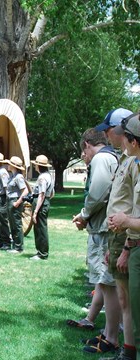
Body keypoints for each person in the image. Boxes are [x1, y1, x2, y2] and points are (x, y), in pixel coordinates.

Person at [71, 128, 121, 354]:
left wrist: (84, 214)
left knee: (108, 283)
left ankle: (111, 338)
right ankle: (108, 332)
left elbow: (98, 193)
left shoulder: (101, 158)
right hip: (106, 226)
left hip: (103, 230)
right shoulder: (114, 157)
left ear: (87, 144)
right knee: (106, 282)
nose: (85, 157)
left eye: (84, 152)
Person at [105, 112, 140, 360]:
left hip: (130, 236)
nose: (112, 135)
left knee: (129, 299)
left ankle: (127, 349)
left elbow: (131, 209)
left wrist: (126, 247)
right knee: (126, 298)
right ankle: (127, 348)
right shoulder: (127, 159)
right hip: (124, 235)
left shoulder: (134, 163)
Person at [5, 156, 29, 254]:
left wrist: (18, 202)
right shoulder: (13, 176)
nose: (8, 165)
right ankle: (15, 245)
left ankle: (19, 247)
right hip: (11, 200)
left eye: (9, 164)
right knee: (13, 224)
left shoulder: (18, 177)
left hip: (15, 201)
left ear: (13, 166)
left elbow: (25, 191)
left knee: (17, 224)